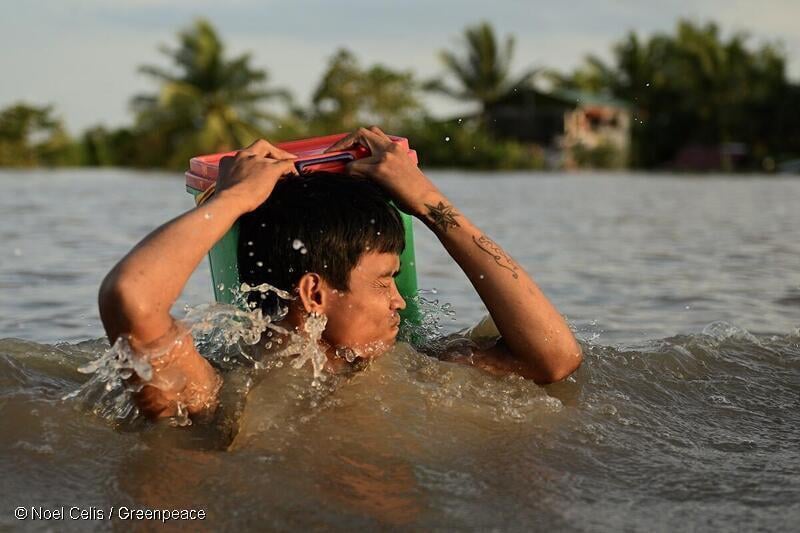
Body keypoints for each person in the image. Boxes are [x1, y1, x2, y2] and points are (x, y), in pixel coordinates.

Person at [98, 127, 582, 420]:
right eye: (384, 280)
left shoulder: (418, 366)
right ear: (314, 293)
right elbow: (130, 296)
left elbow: (554, 358)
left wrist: (428, 203)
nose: (399, 300)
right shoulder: (220, 395)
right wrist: (235, 199)